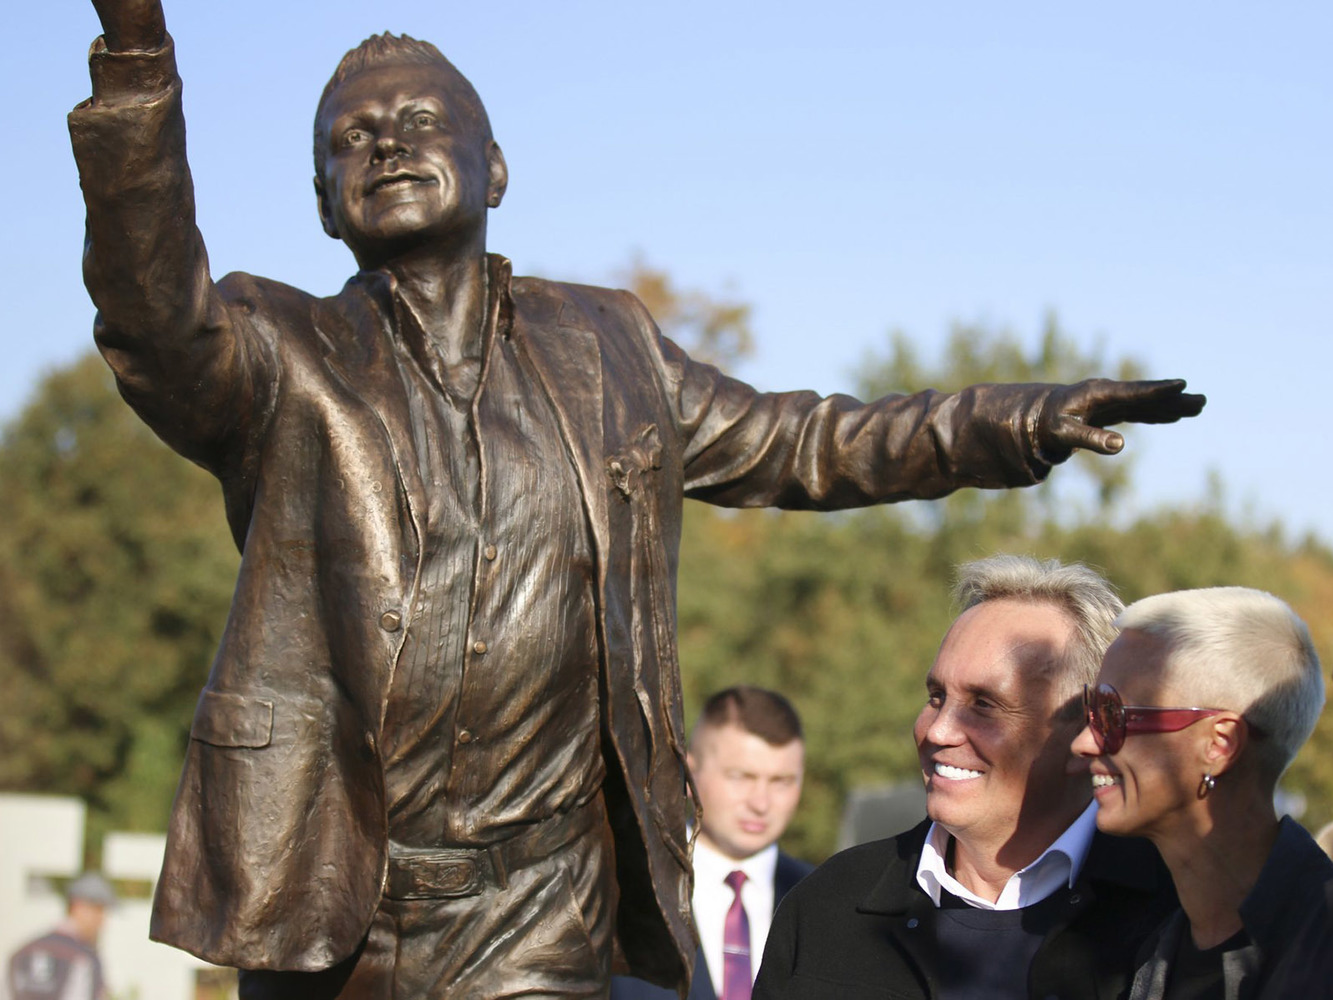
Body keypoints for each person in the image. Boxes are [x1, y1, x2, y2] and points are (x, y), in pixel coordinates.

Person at [68, 0, 1204, 994]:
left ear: (495, 168)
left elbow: (807, 442)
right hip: (333, 895)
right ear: (324, 204)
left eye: (421, 122)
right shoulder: (280, 352)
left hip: (535, 904)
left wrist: (1013, 421)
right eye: (352, 140)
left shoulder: (609, 349)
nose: (388, 145)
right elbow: (154, 314)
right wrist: (134, 56)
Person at [755, 555, 1179, 999]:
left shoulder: (1176, 915)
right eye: (936, 696)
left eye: (984, 704)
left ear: (1084, 732)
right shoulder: (830, 904)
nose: (937, 731)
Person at [1071, 587, 1333, 999]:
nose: (1084, 742)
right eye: (1091, 710)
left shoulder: (1320, 948)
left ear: (1220, 744)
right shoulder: (1139, 947)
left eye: (1112, 714)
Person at [612, 686, 813, 1000]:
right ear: (689, 774)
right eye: (741, 777)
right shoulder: (622, 894)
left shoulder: (824, 900)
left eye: (781, 781)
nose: (761, 802)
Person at [5, 873, 117, 1000]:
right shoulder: (83, 959)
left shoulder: (21, 953)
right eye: (99, 911)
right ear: (78, 906)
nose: (102, 921)